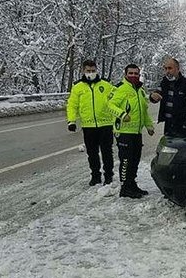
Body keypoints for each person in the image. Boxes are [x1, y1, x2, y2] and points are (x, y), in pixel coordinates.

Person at [108, 63, 155, 199]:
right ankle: (125, 188)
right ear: (125, 74)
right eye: (131, 73)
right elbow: (110, 105)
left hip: (136, 132)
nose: (133, 76)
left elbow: (144, 111)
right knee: (126, 160)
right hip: (124, 132)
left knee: (135, 160)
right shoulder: (120, 88)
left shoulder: (140, 90)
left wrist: (149, 126)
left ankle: (132, 184)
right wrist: (122, 115)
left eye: (136, 73)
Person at [66, 59, 115, 186]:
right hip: (88, 126)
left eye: (93, 70)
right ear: (83, 71)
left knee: (107, 153)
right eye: (88, 71)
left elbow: (116, 100)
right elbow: (72, 105)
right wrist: (71, 121)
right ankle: (95, 176)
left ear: (96, 70)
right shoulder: (78, 87)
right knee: (92, 153)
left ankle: (109, 175)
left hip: (105, 125)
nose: (91, 73)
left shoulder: (106, 85)